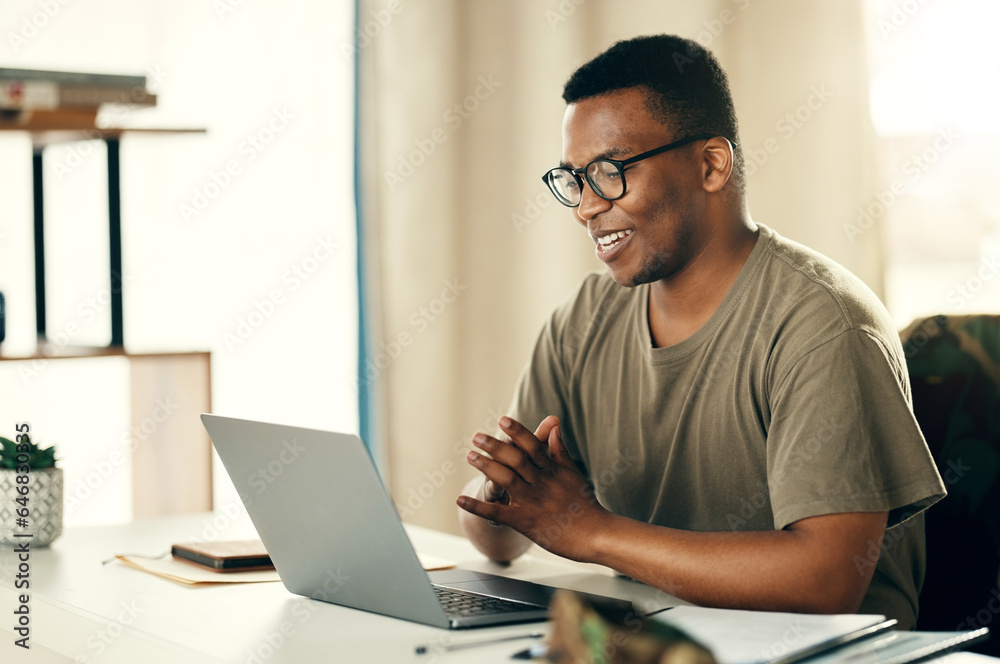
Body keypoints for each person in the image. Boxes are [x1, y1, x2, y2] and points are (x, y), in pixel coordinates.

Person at [456, 34, 946, 629]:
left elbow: (827, 582)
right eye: (574, 179)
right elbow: (503, 542)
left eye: (610, 172)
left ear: (712, 165)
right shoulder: (582, 322)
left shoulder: (823, 323)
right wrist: (503, 503)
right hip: (662, 637)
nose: (585, 206)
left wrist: (591, 531)